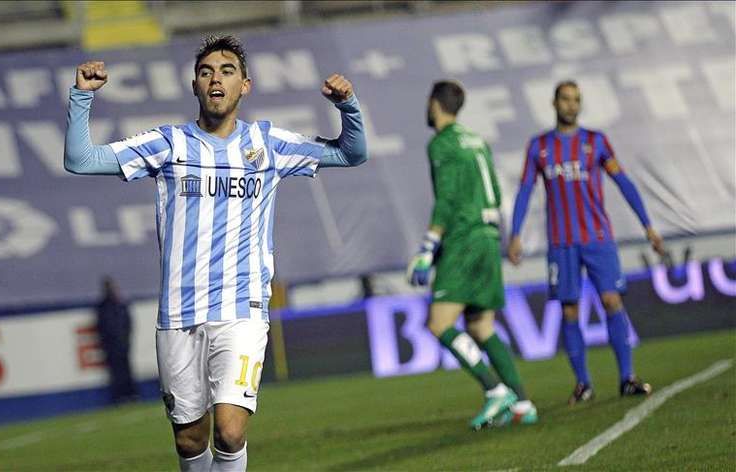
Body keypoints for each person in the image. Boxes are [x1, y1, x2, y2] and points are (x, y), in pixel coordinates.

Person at [64, 35, 367, 472]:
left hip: (241, 311)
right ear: (194, 86)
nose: (216, 80)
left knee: (229, 430)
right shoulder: (169, 144)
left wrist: (349, 106)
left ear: (246, 85)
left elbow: (352, 153)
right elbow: (81, 159)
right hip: (179, 316)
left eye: (227, 71)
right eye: (206, 72)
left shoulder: (269, 144)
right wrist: (81, 98)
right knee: (190, 441)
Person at [508, 80, 665, 404]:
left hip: (597, 238)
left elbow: (623, 181)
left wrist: (647, 224)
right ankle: (583, 384)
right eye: (565, 99)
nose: (571, 105)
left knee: (611, 301)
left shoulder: (597, 142)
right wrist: (516, 234)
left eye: (576, 100)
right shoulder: (539, 147)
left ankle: (627, 378)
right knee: (569, 310)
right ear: (554, 103)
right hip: (562, 242)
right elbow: (525, 190)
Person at [407, 80, 537, 431]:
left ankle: (495, 390)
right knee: (481, 326)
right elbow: (495, 191)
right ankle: (522, 401)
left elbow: (446, 200)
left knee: (439, 323)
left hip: (463, 238)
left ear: (435, 104)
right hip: (488, 236)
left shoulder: (442, 144)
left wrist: (428, 247)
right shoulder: (477, 141)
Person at [96, 276, 138, 404]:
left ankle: (131, 394)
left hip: (122, 344)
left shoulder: (120, 304)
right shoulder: (103, 307)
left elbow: (128, 323)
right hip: (111, 346)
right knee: (116, 373)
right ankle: (120, 397)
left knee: (126, 370)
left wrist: (126, 338)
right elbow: (102, 327)